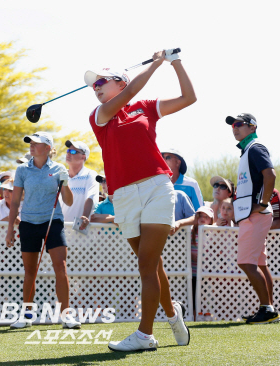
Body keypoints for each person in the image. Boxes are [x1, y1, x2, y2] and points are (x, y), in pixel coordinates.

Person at [86, 49, 196, 351]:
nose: (95, 88)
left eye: (101, 82)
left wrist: (174, 63)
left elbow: (189, 98)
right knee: (152, 263)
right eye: (93, 85)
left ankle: (145, 335)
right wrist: (157, 63)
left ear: (120, 82)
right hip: (122, 195)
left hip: (157, 187)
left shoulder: (145, 107)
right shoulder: (99, 115)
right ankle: (173, 314)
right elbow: (133, 89)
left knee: (146, 266)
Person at [5, 131, 80, 329]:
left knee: (60, 268)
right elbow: (14, 202)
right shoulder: (22, 169)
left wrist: (64, 182)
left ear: (47, 148)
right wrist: (10, 229)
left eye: (36, 143)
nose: (31, 145)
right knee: (30, 271)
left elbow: (68, 201)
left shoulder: (58, 169)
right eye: (30, 142)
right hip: (28, 223)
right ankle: (26, 315)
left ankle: (66, 315)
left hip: (52, 222)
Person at [226, 113, 278, 324]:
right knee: (259, 264)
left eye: (239, 124)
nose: (234, 128)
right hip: (253, 214)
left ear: (252, 127)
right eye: (233, 125)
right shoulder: (249, 150)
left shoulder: (255, 147)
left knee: (246, 263)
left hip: (256, 214)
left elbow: (271, 175)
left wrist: (264, 204)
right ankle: (268, 309)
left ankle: (267, 309)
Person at [60, 140, 99, 230]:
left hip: (81, 230)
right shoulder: (61, 174)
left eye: (73, 152)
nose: (69, 154)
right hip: (60, 230)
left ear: (83, 157)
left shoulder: (91, 175)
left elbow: (90, 197)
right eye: (68, 151)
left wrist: (84, 217)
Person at [189, 206, 214, 316]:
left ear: (211, 220)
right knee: (193, 298)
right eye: (200, 216)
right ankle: (193, 317)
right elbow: (184, 248)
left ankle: (204, 316)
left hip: (206, 274)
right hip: (192, 273)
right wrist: (190, 254)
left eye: (206, 216)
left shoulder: (212, 233)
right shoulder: (190, 231)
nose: (202, 218)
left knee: (204, 298)